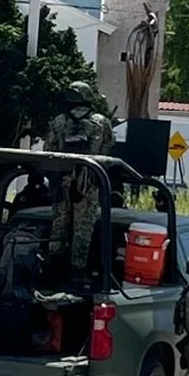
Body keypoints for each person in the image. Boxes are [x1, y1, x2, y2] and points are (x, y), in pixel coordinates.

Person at [44, 81, 114, 274]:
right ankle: (77, 271)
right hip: (88, 183)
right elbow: (108, 153)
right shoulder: (101, 122)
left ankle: (53, 268)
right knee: (83, 231)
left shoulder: (58, 121)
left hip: (61, 181)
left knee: (59, 226)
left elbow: (48, 151)